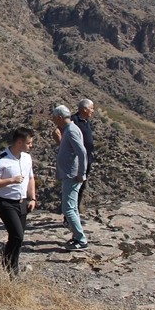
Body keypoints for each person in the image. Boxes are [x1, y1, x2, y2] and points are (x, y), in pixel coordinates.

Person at [0, 127, 37, 274]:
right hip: (6, 202)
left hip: (22, 203)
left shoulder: (27, 158)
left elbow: (31, 178)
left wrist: (32, 198)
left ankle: (11, 265)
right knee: (17, 235)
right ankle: (9, 266)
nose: (31, 146)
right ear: (19, 142)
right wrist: (11, 180)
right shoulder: (0, 160)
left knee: (18, 238)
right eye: (28, 143)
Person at [51, 105, 88, 250]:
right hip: (69, 174)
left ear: (60, 117)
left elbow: (82, 152)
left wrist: (81, 173)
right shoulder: (68, 130)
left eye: (54, 117)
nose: (53, 120)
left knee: (68, 209)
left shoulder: (71, 130)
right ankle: (77, 236)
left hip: (72, 175)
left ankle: (81, 240)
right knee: (72, 208)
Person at [74, 98, 96, 212]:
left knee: (81, 186)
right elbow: (58, 132)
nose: (93, 110)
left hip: (87, 159)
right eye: (91, 108)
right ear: (85, 109)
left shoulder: (86, 121)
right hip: (77, 161)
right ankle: (69, 215)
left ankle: (76, 211)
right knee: (74, 187)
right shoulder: (74, 120)